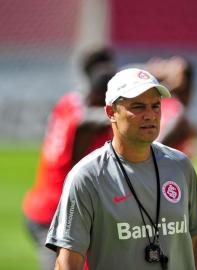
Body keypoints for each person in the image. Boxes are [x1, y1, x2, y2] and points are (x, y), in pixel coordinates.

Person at [45, 68, 197, 270]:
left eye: (155, 106)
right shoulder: (87, 177)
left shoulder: (180, 165)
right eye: (138, 107)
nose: (150, 115)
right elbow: (67, 262)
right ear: (111, 112)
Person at [22, 47, 116, 270]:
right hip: (56, 215)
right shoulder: (86, 120)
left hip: (53, 206)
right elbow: (88, 122)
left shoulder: (69, 102)